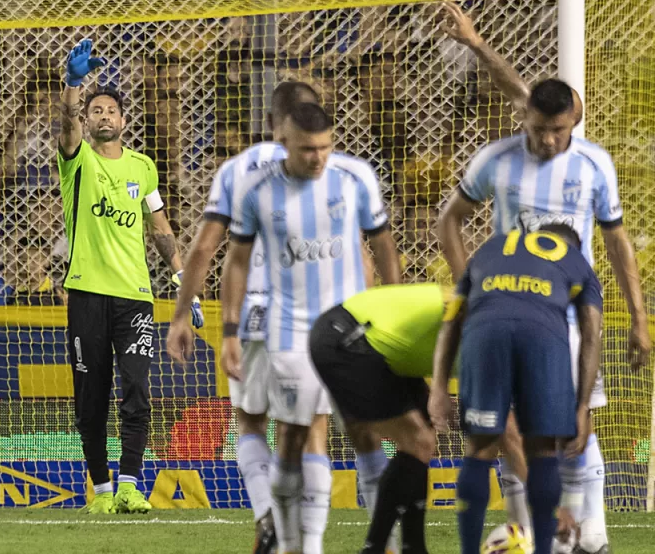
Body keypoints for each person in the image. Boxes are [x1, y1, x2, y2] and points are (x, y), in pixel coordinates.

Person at [436, 13, 651, 553]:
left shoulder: (595, 166)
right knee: (506, 422)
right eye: (539, 129)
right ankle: (533, 533)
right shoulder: (498, 161)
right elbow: (448, 221)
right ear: (522, 118)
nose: (550, 140)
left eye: (560, 130)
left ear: (573, 121)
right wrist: (473, 285)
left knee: (574, 424)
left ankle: (594, 536)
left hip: (568, 311)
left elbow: (618, 241)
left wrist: (640, 319)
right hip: (506, 311)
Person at [223, 102, 402, 554]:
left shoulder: (242, 175)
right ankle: (303, 539)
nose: (318, 156)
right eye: (309, 147)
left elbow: (221, 252)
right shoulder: (300, 183)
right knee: (325, 432)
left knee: (263, 425)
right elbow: (366, 254)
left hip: (275, 320)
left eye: (324, 146)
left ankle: (276, 521)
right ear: (284, 135)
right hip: (305, 323)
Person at [167, 80, 322, 552]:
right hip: (313, 316)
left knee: (250, 423)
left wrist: (180, 315)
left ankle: (266, 516)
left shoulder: (237, 170)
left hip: (253, 314)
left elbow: (206, 248)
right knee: (311, 430)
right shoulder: (328, 166)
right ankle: (308, 543)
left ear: (271, 120)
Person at [57, 38, 185, 514]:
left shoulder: (143, 168)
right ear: (88, 121)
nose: (104, 115)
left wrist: (180, 279)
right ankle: (102, 490)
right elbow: (66, 130)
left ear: (124, 120)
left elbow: (160, 227)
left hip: (135, 297)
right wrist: (73, 85)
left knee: (137, 391)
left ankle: (131, 484)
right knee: (91, 399)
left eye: (112, 109)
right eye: (96, 110)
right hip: (87, 294)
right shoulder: (77, 161)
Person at [430, 226, 604, 554]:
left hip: (484, 332)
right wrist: (581, 407)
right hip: (542, 335)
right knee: (542, 450)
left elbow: (452, 319)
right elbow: (591, 335)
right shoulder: (578, 264)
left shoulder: (491, 249)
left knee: (479, 448)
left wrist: (439, 387)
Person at [310, 282, 444, 554]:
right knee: (418, 441)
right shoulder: (482, 323)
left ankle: (413, 547)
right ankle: (376, 548)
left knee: (423, 440)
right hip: (351, 339)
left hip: (386, 345)